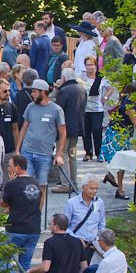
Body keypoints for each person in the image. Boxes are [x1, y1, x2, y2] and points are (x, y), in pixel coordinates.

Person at [17, 78, 67, 218]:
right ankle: (25, 214)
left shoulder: (56, 110)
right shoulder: (30, 107)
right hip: (27, 151)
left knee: (41, 185)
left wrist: (59, 154)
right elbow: (24, 128)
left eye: (34, 91)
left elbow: (63, 132)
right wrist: (18, 149)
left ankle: (36, 215)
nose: (32, 94)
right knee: (26, 184)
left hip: (44, 154)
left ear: (43, 92)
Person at [2, 154, 43, 273]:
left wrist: (9, 185)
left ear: (18, 167)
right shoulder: (36, 183)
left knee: (4, 259)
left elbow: (3, 203)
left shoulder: (13, 184)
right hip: (33, 230)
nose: (8, 169)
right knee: (25, 267)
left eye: (10, 166)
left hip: (16, 229)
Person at [102, 83, 136, 200]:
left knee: (119, 160)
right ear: (134, 93)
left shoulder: (127, 100)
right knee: (121, 162)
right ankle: (120, 190)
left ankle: (110, 176)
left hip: (118, 131)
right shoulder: (129, 105)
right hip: (119, 133)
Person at [52, 66, 86, 194]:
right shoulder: (81, 89)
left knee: (63, 154)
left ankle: (66, 183)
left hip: (64, 128)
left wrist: (56, 89)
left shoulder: (64, 90)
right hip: (77, 127)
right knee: (72, 155)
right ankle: (73, 182)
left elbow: (57, 108)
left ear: (64, 78)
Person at [78, 55, 105, 161]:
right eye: (88, 65)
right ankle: (88, 152)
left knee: (97, 130)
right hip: (85, 108)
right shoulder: (81, 76)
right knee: (86, 131)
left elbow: (111, 87)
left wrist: (105, 96)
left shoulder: (101, 77)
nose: (90, 67)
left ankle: (99, 152)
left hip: (97, 108)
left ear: (96, 66)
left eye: (92, 65)